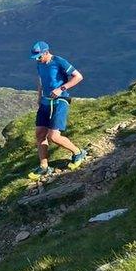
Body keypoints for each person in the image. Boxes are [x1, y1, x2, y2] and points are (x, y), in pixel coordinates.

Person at [30, 41, 87, 175]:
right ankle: (44, 167)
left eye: (39, 57)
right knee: (40, 134)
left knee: (54, 136)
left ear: (46, 52)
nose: (37, 60)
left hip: (60, 100)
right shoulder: (40, 64)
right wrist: (39, 96)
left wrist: (61, 88)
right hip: (45, 102)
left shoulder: (59, 61)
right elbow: (41, 80)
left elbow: (78, 76)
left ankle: (78, 152)